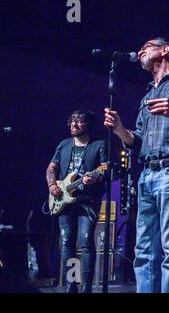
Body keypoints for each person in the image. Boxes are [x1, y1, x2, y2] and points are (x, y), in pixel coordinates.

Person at [104, 37, 169, 293]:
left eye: (146, 46)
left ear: (165, 50)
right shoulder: (147, 95)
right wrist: (119, 130)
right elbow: (135, 140)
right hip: (147, 174)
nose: (140, 50)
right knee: (144, 249)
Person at [46, 109, 106, 293]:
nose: (74, 124)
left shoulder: (99, 145)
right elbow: (51, 167)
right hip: (63, 199)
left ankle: (86, 287)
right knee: (66, 242)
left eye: (79, 121)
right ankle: (71, 285)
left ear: (88, 124)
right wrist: (52, 186)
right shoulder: (64, 145)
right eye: (72, 121)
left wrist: (94, 178)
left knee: (86, 241)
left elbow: (104, 168)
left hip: (87, 201)